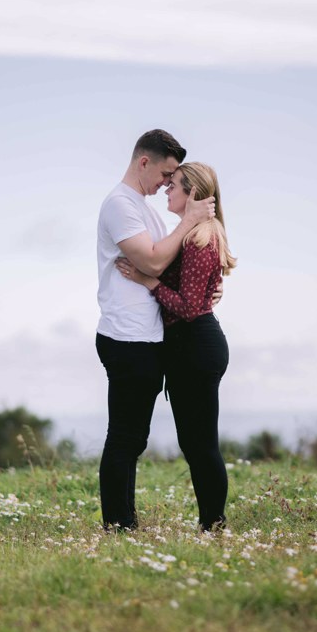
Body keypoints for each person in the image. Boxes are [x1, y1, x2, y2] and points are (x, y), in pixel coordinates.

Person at [96, 130, 215, 531]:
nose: (168, 182)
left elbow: (172, 266)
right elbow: (151, 262)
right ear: (143, 162)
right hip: (126, 337)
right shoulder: (120, 205)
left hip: (147, 338)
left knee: (134, 438)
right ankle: (118, 525)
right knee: (125, 437)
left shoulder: (142, 208)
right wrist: (191, 221)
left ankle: (124, 522)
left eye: (172, 177)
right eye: (165, 173)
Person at [117, 162, 236, 531]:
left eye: (175, 186)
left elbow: (189, 307)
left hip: (196, 346)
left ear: (193, 194)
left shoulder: (201, 237)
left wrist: (145, 280)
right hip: (189, 347)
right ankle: (210, 523)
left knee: (201, 445)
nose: (168, 190)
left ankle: (213, 525)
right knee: (195, 442)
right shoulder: (191, 234)